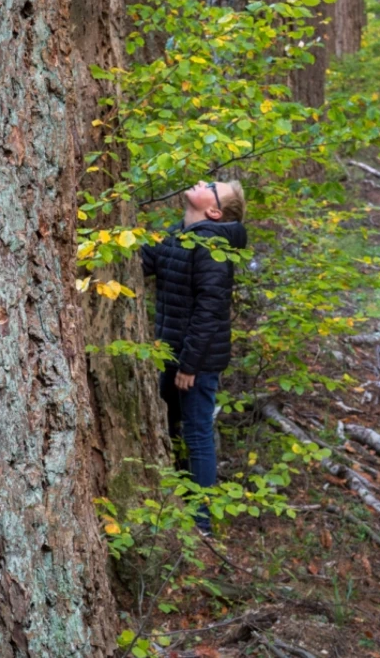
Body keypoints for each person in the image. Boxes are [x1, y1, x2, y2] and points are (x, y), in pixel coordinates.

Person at [141, 179, 247, 535]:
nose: (204, 181)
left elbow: (210, 310)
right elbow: (143, 261)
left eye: (213, 186)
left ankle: (200, 522)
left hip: (195, 362)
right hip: (171, 353)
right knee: (169, 428)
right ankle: (173, 506)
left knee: (197, 432)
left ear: (214, 211)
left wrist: (189, 364)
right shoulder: (179, 234)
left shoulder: (212, 244)